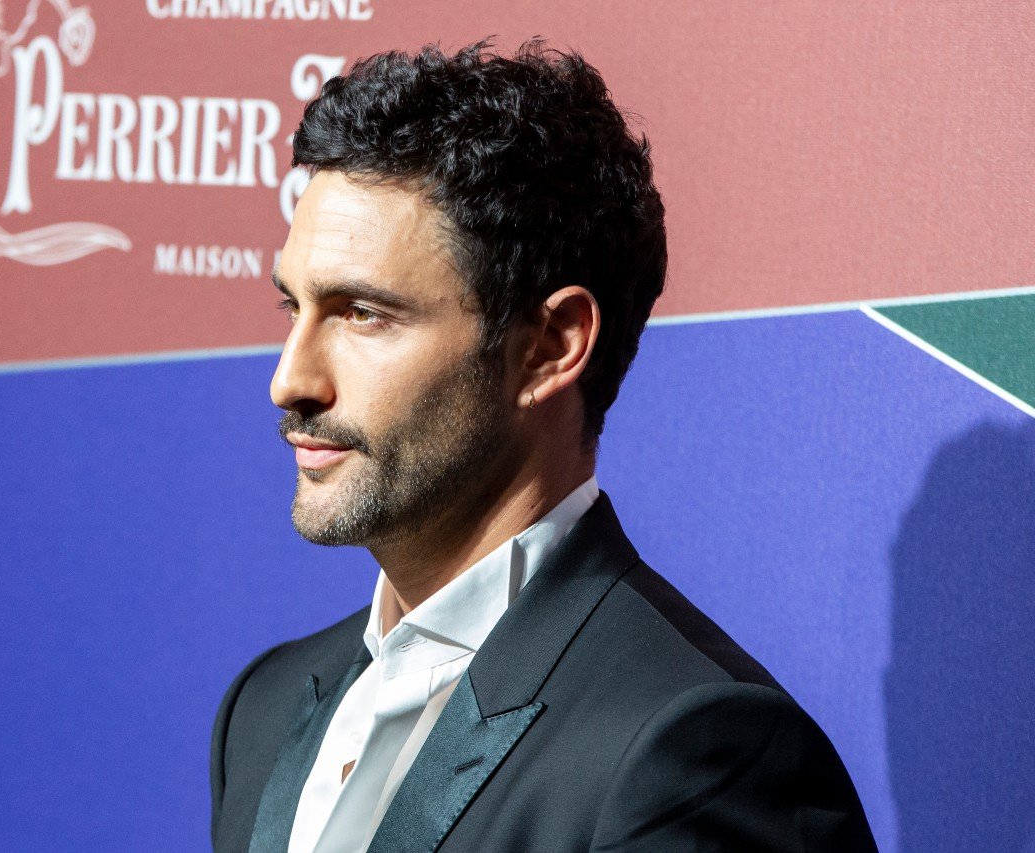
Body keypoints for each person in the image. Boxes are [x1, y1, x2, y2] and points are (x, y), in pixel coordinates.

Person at [210, 40, 876, 852]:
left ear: (552, 345)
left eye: (363, 314)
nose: (290, 380)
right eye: (294, 307)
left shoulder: (698, 755)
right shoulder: (266, 707)